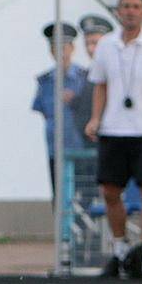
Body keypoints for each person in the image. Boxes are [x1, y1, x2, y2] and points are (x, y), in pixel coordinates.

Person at [85, 0, 142, 279]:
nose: (130, 11)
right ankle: (120, 248)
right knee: (110, 191)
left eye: (136, 7)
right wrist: (96, 118)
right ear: (118, 12)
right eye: (125, 6)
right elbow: (100, 84)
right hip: (115, 128)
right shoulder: (106, 45)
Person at [31, 22, 86, 197]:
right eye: (55, 47)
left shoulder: (85, 77)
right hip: (56, 147)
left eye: (64, 47)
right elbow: (43, 110)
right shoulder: (45, 81)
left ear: (72, 48)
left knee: (84, 194)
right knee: (60, 196)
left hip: (81, 147)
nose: (60, 52)